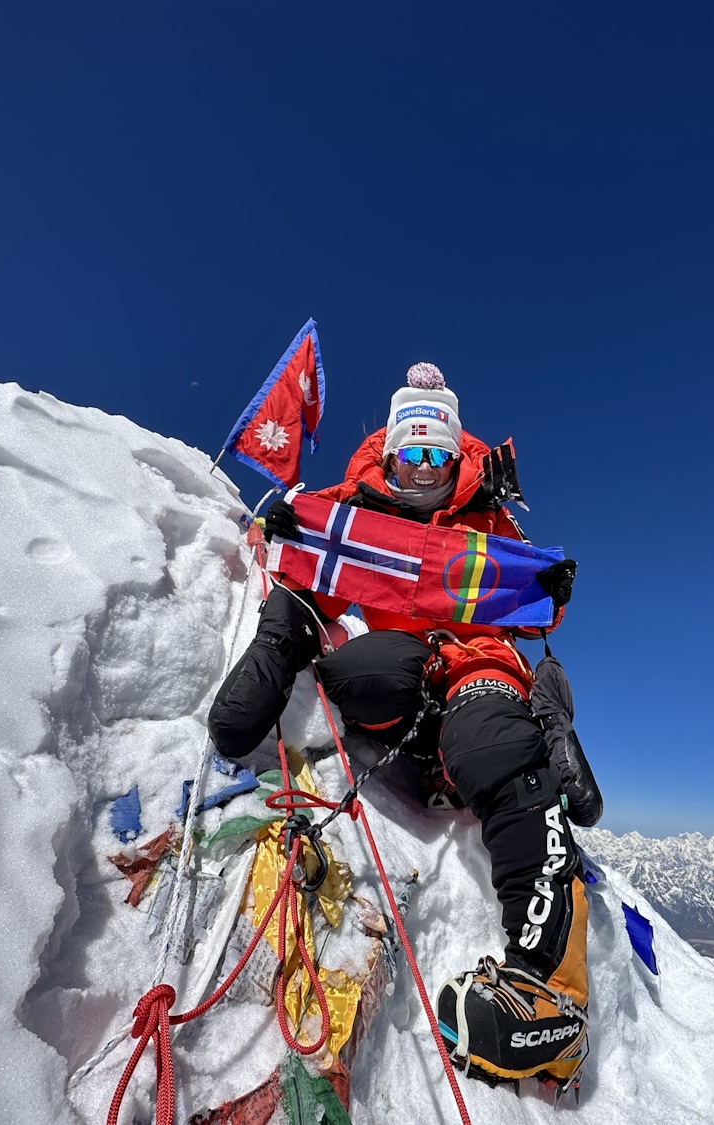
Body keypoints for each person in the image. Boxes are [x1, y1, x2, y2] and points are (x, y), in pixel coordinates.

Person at [207, 362, 588, 1089]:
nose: (422, 470)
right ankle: (438, 762)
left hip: (476, 658)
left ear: (454, 454)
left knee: (498, 740)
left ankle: (549, 991)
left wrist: (550, 591)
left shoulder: (487, 517)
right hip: (401, 663)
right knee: (369, 671)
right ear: (387, 452)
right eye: (409, 454)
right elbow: (291, 533)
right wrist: (276, 527)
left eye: (436, 455)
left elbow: (524, 588)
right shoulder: (351, 507)